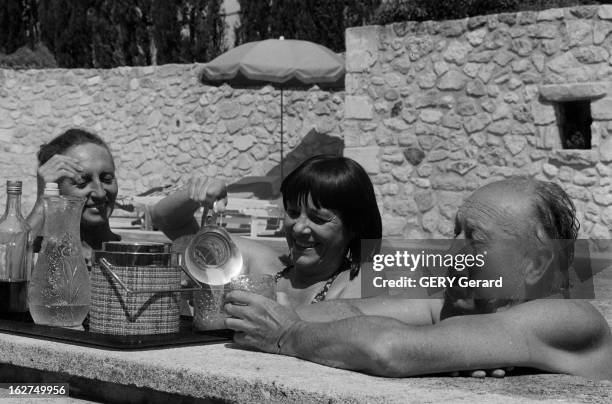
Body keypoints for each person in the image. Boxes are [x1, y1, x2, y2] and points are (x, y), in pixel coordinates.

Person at [223, 177, 612, 381]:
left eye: (473, 238)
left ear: (534, 264)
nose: (451, 249)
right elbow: (340, 310)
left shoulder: (568, 317)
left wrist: (285, 336)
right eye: (455, 231)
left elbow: (387, 347)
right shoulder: (457, 302)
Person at [154, 155, 383, 308]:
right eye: (293, 212)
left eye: (318, 218)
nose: (300, 227)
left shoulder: (358, 283)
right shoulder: (261, 264)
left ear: (354, 227)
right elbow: (168, 221)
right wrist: (195, 193)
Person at [27, 128, 227, 261]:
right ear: (55, 189)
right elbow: (7, 261)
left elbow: (169, 219)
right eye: (82, 181)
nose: (99, 192)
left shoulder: (137, 255)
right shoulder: (41, 256)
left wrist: (202, 188)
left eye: (106, 179)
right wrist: (42, 201)